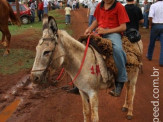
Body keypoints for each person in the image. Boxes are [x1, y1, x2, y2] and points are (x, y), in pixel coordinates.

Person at [83, 0, 129, 97]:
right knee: (83, 45)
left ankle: (120, 81)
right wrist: (90, 28)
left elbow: (123, 27)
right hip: (99, 32)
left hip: (113, 34)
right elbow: (96, 20)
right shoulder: (100, 5)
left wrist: (107, 31)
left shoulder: (119, 6)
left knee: (117, 50)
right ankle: (80, 80)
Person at [147, 0, 163, 67]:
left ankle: (149, 56)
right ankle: (161, 61)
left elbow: (150, 16)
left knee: (152, 42)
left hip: (155, 25)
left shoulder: (153, 5)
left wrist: (150, 25)